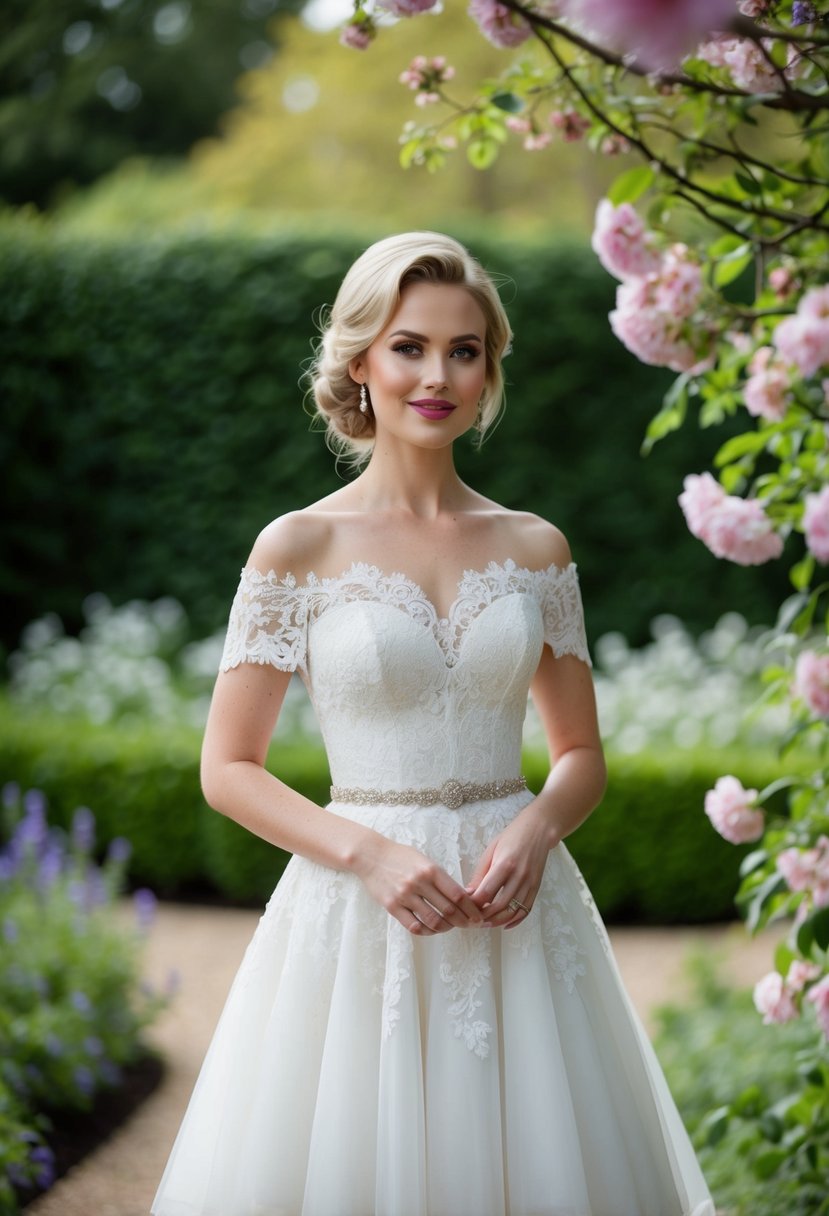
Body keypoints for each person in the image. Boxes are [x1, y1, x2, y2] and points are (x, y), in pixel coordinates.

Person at [151, 232, 714, 1216]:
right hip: (358, 909)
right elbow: (227, 768)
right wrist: (368, 855)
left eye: (464, 350)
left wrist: (537, 828)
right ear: (361, 359)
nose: (437, 374)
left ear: (490, 367)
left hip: (519, 915)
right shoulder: (299, 545)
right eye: (409, 346)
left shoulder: (536, 547)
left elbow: (579, 754)